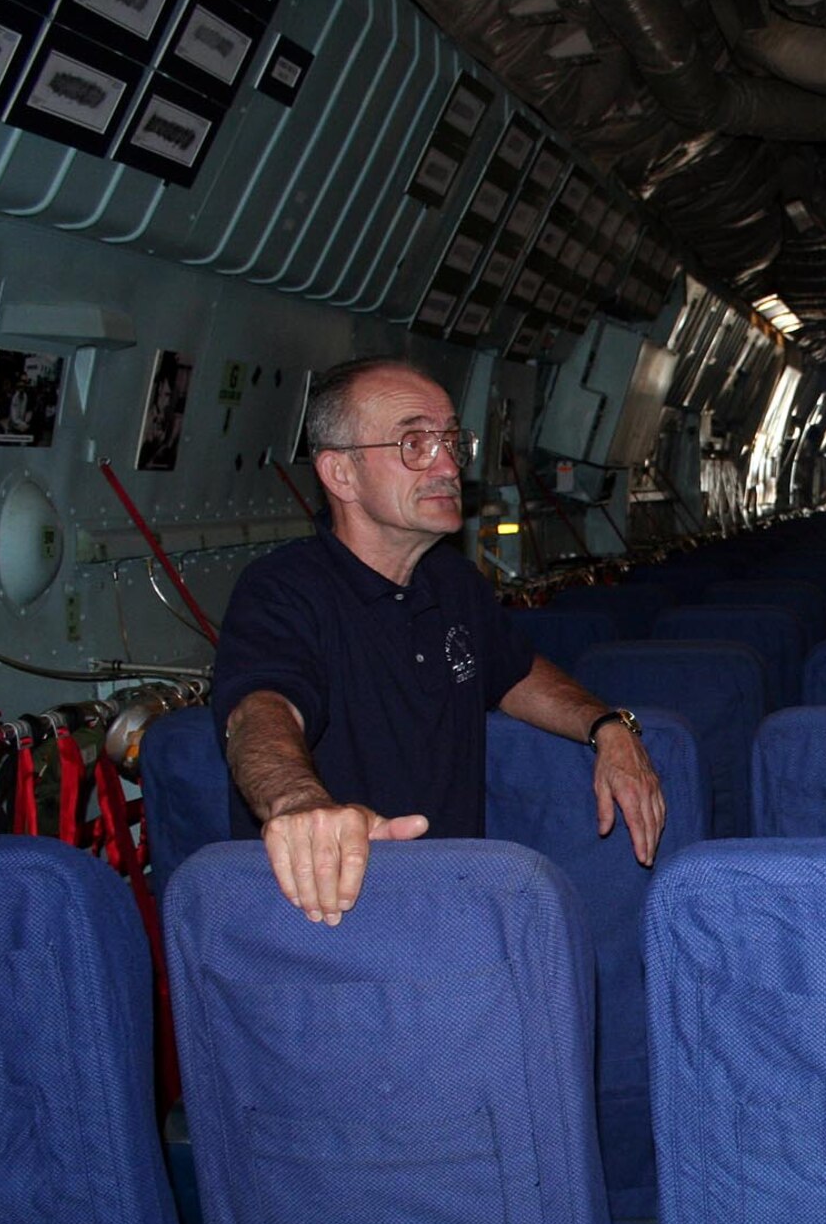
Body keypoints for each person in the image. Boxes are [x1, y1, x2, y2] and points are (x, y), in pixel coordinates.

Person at [211, 356, 663, 926]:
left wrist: (607, 727)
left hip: (454, 901)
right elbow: (260, 712)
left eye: (451, 441)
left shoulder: (452, 581)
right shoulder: (281, 590)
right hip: (333, 909)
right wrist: (299, 803)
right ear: (340, 474)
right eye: (414, 444)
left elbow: (515, 673)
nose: (448, 465)